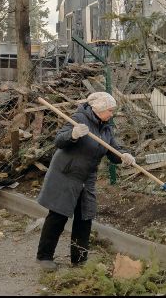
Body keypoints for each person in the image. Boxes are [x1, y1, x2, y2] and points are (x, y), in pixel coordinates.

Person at [35, 92, 135, 271]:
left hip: (86, 177)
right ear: (99, 109)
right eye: (110, 110)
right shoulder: (79, 118)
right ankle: (44, 257)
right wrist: (73, 134)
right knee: (58, 215)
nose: (112, 114)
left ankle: (80, 260)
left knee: (84, 218)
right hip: (66, 173)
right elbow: (59, 140)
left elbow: (112, 149)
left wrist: (123, 156)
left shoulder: (106, 127)